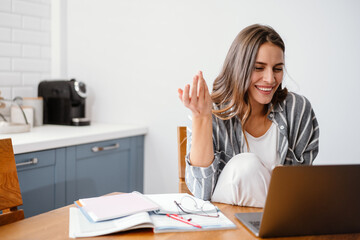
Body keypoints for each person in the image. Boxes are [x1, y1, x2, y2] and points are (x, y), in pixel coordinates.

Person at [178, 24, 319, 207]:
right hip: (229, 223)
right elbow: (202, 192)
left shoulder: (297, 110)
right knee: (246, 166)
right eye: (258, 68)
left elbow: (300, 188)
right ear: (239, 67)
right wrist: (202, 118)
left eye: (277, 69)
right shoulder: (212, 112)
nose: (270, 79)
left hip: (280, 219)